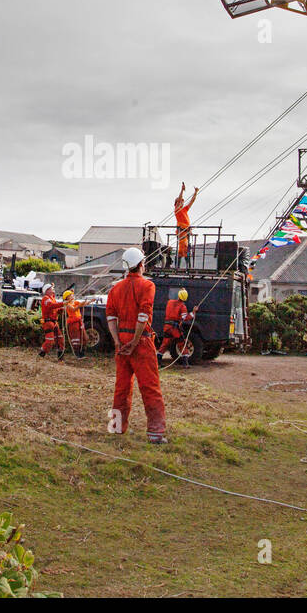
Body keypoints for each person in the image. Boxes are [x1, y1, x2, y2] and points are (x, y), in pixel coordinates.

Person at [106, 247, 167, 444]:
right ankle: (156, 433)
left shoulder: (115, 288)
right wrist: (134, 342)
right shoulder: (147, 286)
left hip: (121, 342)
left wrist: (118, 342)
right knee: (150, 386)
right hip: (140, 341)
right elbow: (143, 316)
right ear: (141, 264)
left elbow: (111, 318)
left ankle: (116, 428)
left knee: (121, 387)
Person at [157, 288, 197, 365]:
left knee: (165, 344)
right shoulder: (182, 306)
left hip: (167, 327)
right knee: (181, 343)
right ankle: (185, 363)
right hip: (174, 329)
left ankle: (158, 361)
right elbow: (185, 318)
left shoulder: (169, 302)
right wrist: (193, 312)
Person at [173, 182, 198, 266]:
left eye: (182, 202)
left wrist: (195, 192)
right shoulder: (177, 210)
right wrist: (182, 190)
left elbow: (192, 201)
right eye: (180, 202)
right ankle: (182, 266)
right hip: (182, 232)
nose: (182, 203)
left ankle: (185, 266)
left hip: (186, 232)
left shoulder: (184, 210)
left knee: (185, 249)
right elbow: (180, 199)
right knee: (183, 249)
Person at [38, 285, 65, 360]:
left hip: (54, 322)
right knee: (50, 341)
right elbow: (51, 306)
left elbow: (55, 308)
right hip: (48, 323)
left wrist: (61, 310)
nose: (53, 289)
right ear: (47, 290)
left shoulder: (52, 299)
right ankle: (41, 355)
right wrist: (63, 303)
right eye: (51, 288)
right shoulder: (45, 299)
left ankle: (60, 358)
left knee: (60, 340)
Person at [63, 290, 89, 359]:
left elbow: (83, 304)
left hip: (79, 322)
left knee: (84, 337)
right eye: (71, 295)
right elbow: (73, 309)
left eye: (72, 294)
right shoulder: (67, 304)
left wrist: (90, 301)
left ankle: (82, 353)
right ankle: (78, 355)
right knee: (76, 339)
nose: (72, 296)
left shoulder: (76, 302)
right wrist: (80, 305)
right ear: (67, 297)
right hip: (73, 323)